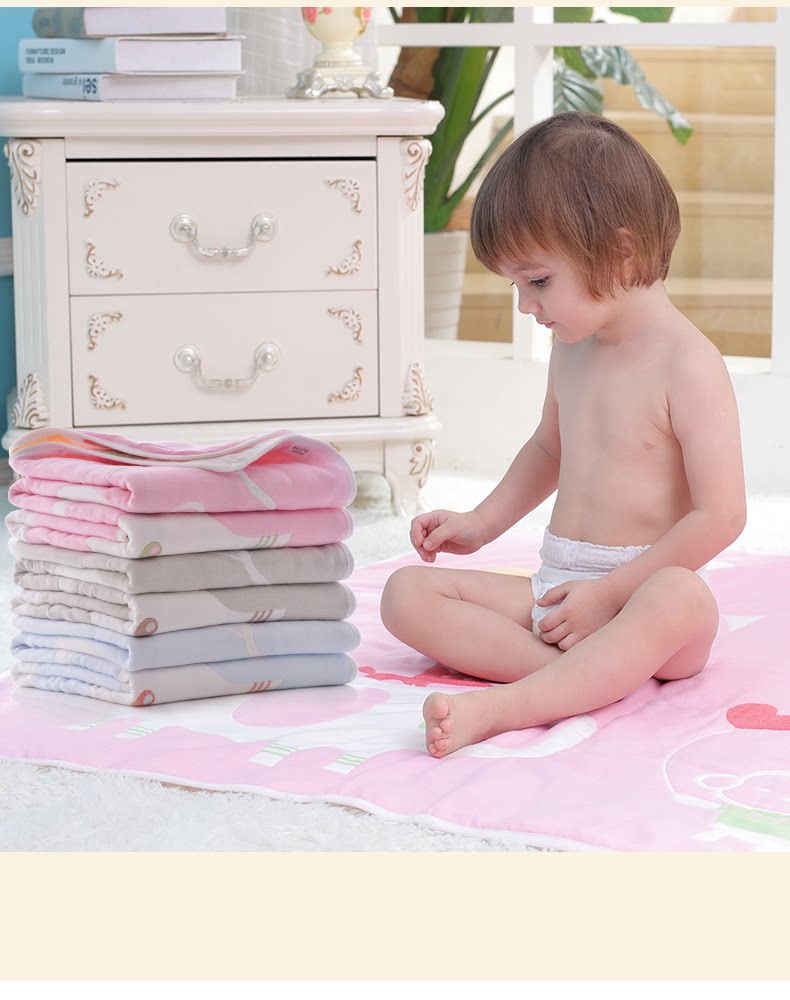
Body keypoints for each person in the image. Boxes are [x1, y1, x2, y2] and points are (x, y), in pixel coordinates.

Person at [380, 111, 747, 758]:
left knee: (681, 596)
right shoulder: (573, 347)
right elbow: (550, 448)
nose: (526, 306)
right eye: (517, 285)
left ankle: (510, 706)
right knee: (404, 594)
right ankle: (590, 678)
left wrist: (610, 595)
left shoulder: (688, 364)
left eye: (539, 281)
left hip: (641, 596)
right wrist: (481, 523)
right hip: (557, 588)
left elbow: (722, 515)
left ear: (621, 253)